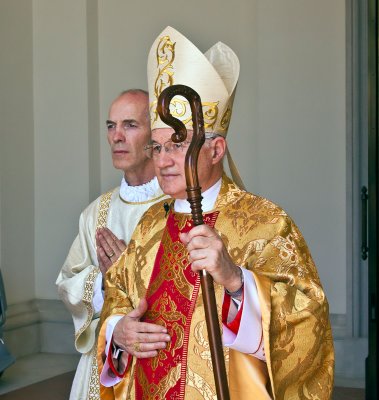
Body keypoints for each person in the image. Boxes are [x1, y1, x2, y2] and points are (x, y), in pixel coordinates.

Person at [97, 27, 335, 400]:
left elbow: (308, 321)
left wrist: (237, 280)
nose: (164, 161)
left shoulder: (266, 223)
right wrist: (118, 333)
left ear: (216, 148)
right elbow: (118, 298)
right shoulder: (149, 226)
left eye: (178, 145)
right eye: (156, 148)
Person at [56, 89, 167, 400]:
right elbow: (67, 283)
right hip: (106, 353)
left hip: (164, 352)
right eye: (110, 125)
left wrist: (129, 272)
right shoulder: (96, 214)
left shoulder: (180, 205)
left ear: (154, 134)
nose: (117, 136)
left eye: (130, 125)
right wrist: (105, 282)